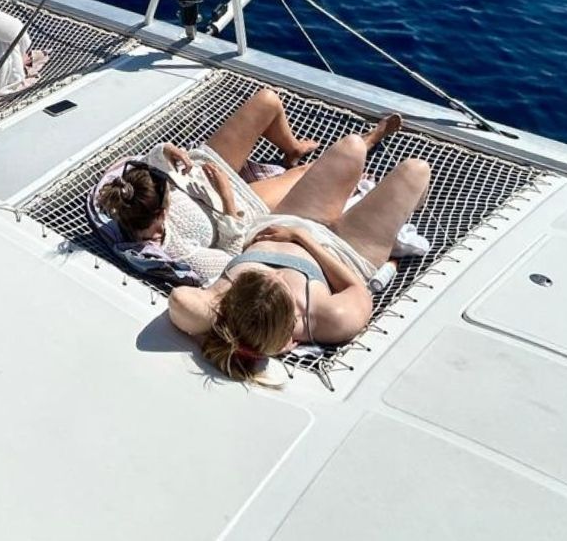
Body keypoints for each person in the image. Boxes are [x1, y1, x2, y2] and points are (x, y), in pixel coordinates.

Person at [166, 145, 432, 382]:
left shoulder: (220, 301)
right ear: (289, 331)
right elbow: (357, 289)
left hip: (287, 222)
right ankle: (405, 207)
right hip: (348, 251)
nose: (279, 275)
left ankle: (355, 195)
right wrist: (303, 241)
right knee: (415, 171)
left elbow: (179, 300)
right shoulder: (324, 319)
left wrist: (221, 330)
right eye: (282, 285)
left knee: (352, 147)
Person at [96, 89, 392, 279]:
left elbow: (140, 167)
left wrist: (163, 152)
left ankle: (292, 148)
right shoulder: (179, 249)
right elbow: (233, 258)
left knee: (267, 100)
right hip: (239, 204)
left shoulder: (128, 196)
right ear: (161, 214)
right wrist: (227, 202)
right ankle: (366, 143)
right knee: (310, 172)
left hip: (203, 167)